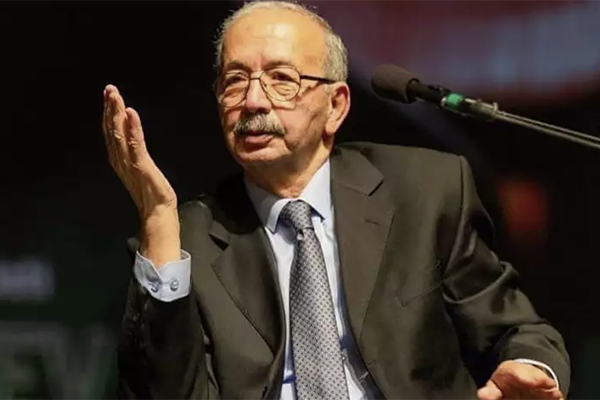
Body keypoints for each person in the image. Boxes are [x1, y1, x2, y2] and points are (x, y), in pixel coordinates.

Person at [103, 1, 570, 400]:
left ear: (336, 106)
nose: (253, 101)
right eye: (235, 80)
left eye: (281, 79)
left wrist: (530, 368)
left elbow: (515, 328)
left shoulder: (424, 192)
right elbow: (162, 391)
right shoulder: (186, 239)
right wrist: (158, 218)